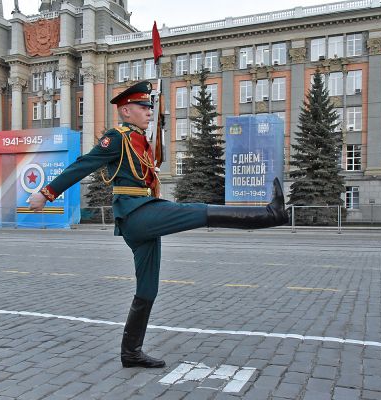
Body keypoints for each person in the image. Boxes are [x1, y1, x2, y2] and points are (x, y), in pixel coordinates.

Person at [29, 80, 289, 368]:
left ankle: (131, 353)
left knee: (148, 289)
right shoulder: (117, 138)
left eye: (150, 107)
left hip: (144, 213)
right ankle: (270, 215)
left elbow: (147, 174)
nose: (149, 111)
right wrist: (46, 193)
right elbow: (82, 164)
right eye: (143, 107)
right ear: (126, 111)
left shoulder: (140, 138)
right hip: (136, 214)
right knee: (197, 211)